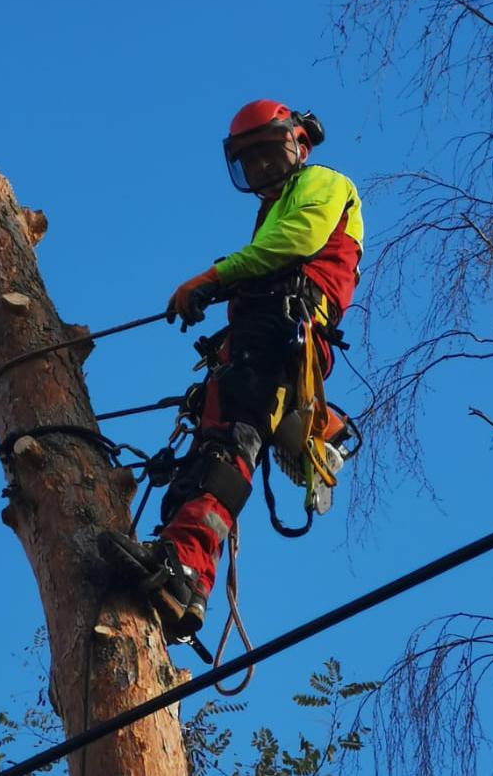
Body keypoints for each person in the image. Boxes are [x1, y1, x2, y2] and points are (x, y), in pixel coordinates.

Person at [101, 99, 365, 641]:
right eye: (252, 163)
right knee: (208, 448)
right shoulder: (273, 210)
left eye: (270, 154)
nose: (264, 170)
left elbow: (295, 244)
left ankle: (187, 568)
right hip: (257, 337)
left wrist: (213, 278)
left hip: (284, 331)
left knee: (230, 445)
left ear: (299, 143)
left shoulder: (324, 183)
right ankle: (179, 568)